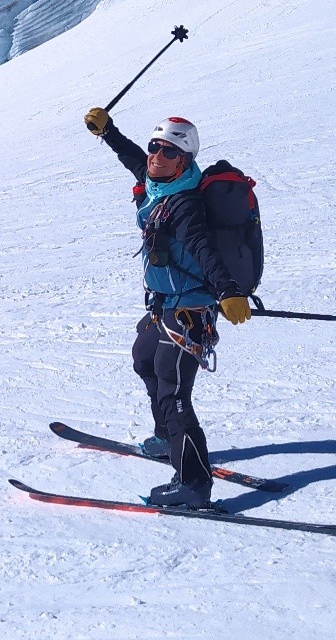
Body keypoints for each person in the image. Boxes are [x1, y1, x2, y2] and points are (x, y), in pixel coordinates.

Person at [84, 106, 252, 510]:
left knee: (174, 390)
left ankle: (194, 483)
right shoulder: (158, 182)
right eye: (154, 147)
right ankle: (166, 439)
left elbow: (204, 249)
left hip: (190, 309)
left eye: (168, 151)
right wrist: (108, 131)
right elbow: (132, 158)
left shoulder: (184, 205)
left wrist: (228, 291)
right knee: (144, 358)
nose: (156, 156)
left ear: (185, 161)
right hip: (165, 304)